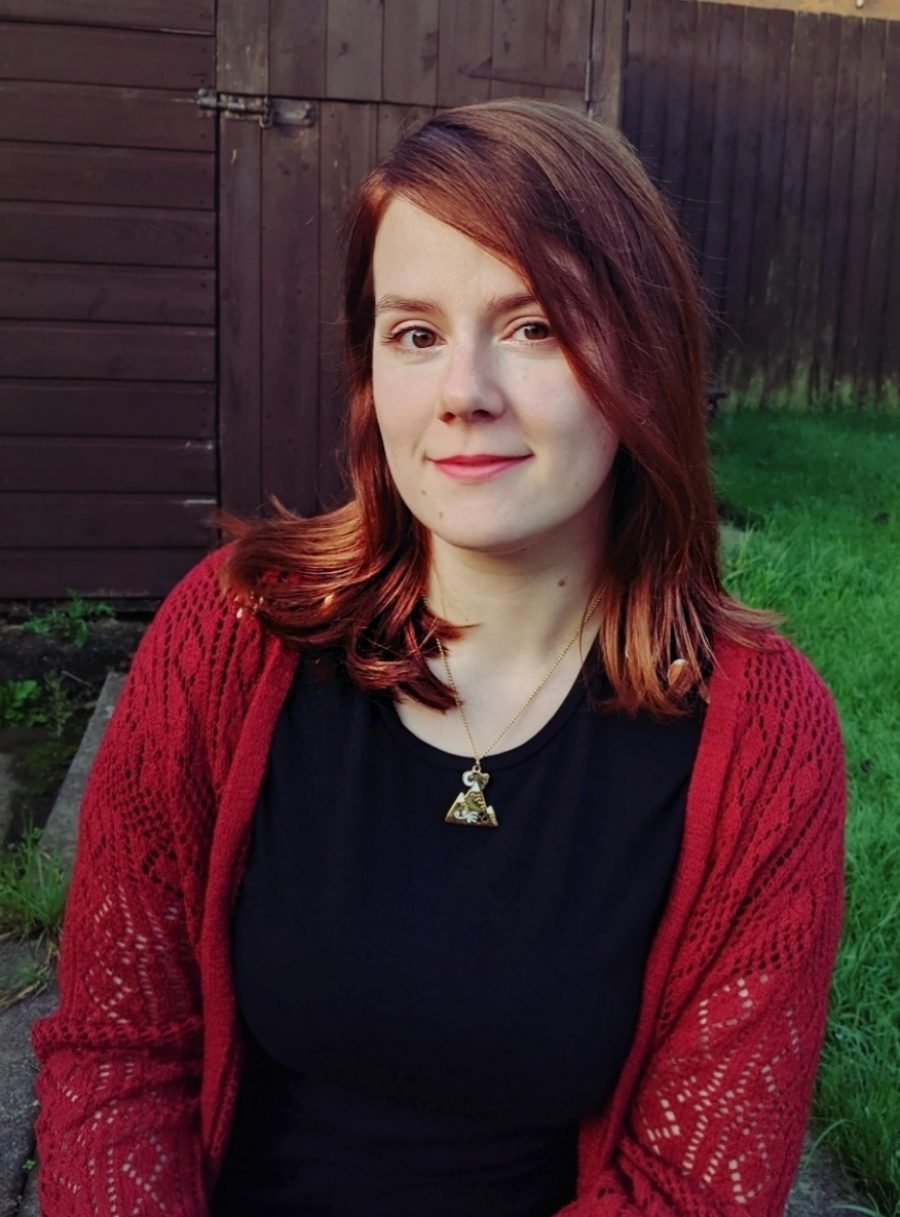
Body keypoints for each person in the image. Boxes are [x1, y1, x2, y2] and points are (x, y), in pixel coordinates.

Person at [32, 99, 845, 1217]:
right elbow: (118, 1051)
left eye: (535, 326)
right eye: (415, 332)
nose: (465, 390)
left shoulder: (764, 737)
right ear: (372, 376)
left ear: (646, 358)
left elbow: (694, 1183)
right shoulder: (227, 640)